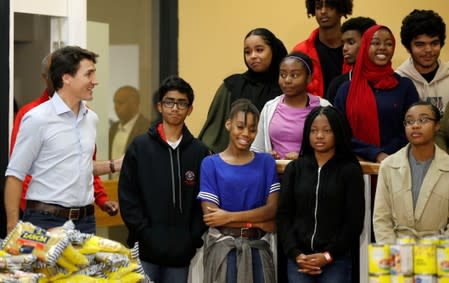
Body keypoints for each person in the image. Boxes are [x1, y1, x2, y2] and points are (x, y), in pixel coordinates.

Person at [118, 76, 209, 283]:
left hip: (182, 253)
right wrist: (144, 233)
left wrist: (192, 238)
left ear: (190, 109)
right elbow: (128, 196)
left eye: (181, 103)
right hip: (145, 249)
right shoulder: (139, 147)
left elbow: (203, 200)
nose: (175, 108)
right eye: (169, 102)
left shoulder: (199, 151)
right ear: (160, 106)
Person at [5, 46, 101, 234]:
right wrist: (12, 228)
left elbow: (83, 166)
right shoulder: (37, 118)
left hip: (86, 222)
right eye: (89, 74)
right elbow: (15, 175)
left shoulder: (91, 119)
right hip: (45, 220)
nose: (95, 81)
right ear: (66, 77)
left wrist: (117, 164)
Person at [277, 106, 365, 283]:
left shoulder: (349, 170)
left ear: (338, 133)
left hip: (336, 261)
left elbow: (354, 221)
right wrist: (295, 253)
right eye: (314, 130)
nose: (319, 136)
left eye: (327, 130)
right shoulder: (294, 169)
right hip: (299, 260)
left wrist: (328, 255)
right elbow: (284, 216)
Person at [198, 98, 280, 283]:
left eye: (252, 129)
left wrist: (228, 217)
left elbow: (271, 210)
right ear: (228, 124)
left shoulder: (266, 162)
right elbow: (212, 217)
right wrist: (258, 223)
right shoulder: (210, 164)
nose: (246, 133)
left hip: (258, 249)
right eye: (240, 126)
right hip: (224, 250)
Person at [334, 25, 420, 163]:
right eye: (375, 43)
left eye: (389, 43)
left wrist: (387, 154)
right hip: (355, 165)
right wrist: (374, 154)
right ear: (365, 46)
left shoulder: (405, 86)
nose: (382, 47)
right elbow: (338, 131)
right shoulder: (346, 89)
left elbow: (413, 126)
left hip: (398, 163)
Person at [199, 27, 287, 153]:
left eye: (259, 50)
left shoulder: (286, 87)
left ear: (273, 50)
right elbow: (213, 136)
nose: (253, 56)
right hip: (234, 165)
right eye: (247, 52)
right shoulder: (232, 86)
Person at [373, 101, 449, 243]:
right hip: (398, 250)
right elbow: (381, 218)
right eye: (409, 121)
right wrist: (393, 254)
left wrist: (439, 253)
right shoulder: (388, 166)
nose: (415, 125)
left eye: (423, 120)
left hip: (439, 252)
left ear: (437, 125)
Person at [251, 52, 330, 160]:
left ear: (308, 78)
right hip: (276, 175)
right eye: (283, 75)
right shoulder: (270, 107)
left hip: (310, 174)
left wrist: (303, 159)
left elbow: (334, 150)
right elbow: (256, 149)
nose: (287, 80)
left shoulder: (324, 107)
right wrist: (266, 157)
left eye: (295, 75)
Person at [292, 0, 353, 98]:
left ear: (341, 9)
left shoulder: (355, 50)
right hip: (313, 111)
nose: (323, 11)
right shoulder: (301, 51)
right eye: (318, 7)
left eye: (330, 6)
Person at [396, 9, 449, 115]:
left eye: (434, 43)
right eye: (420, 44)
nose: (428, 50)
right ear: (407, 47)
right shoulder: (398, 80)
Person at [325, 16, 377, 104]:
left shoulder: (390, 82)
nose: (344, 48)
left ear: (368, 43)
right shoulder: (337, 85)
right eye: (343, 43)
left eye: (351, 42)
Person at [109, 85, 151, 161]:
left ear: (134, 104)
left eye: (120, 103)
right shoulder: (113, 128)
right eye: (115, 102)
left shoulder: (148, 128)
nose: (115, 107)